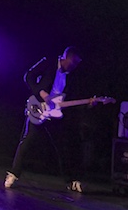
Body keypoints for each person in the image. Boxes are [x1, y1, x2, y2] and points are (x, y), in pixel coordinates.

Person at [5, 47, 86, 192]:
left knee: (62, 146)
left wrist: (89, 103)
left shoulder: (72, 76)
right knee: (27, 140)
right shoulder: (48, 62)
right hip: (38, 107)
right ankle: (13, 174)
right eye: (72, 63)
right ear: (65, 57)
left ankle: (71, 180)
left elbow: (70, 97)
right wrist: (42, 94)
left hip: (54, 113)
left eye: (75, 65)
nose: (72, 67)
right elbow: (28, 76)